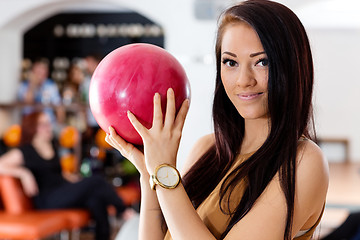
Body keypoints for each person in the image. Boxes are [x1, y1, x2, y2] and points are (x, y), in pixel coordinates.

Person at [106, 1, 329, 240]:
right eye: (230, 62)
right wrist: (148, 172)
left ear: (292, 66)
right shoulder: (207, 149)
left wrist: (164, 172)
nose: (243, 80)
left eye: (262, 62)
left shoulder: (303, 161)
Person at [0, 111, 129, 240]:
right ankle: (124, 211)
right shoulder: (25, 151)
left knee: (95, 198)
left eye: (48, 123)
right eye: (43, 124)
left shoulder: (52, 146)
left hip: (62, 191)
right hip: (48, 200)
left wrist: (79, 183)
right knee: (97, 180)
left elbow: (59, 174)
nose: (49, 127)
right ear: (33, 128)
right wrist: (24, 173)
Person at [17, 58, 64, 123]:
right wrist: (32, 85)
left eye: (43, 72)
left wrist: (60, 126)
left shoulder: (50, 85)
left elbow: (59, 106)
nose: (40, 76)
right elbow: (27, 103)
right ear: (32, 73)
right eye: (38, 72)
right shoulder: (24, 86)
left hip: (48, 122)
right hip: (30, 123)